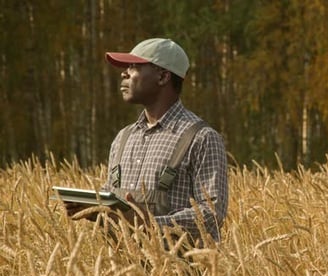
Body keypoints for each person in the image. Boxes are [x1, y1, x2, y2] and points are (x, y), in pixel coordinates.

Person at [65, 38, 229, 246]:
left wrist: (149, 223)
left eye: (134, 67)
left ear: (162, 76)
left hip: (180, 273)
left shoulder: (202, 137)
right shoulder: (123, 139)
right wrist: (94, 210)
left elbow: (213, 215)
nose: (124, 73)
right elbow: (114, 204)